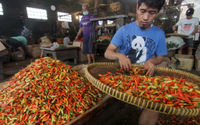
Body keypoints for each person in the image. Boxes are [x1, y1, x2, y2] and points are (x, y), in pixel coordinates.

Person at [104, 0, 167, 125]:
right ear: (137, 8)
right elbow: (108, 52)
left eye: (152, 13)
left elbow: (160, 57)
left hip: (144, 79)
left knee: (155, 105)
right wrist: (119, 55)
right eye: (142, 11)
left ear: (158, 13)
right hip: (124, 77)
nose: (145, 17)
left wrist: (152, 61)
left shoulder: (159, 34)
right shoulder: (124, 30)